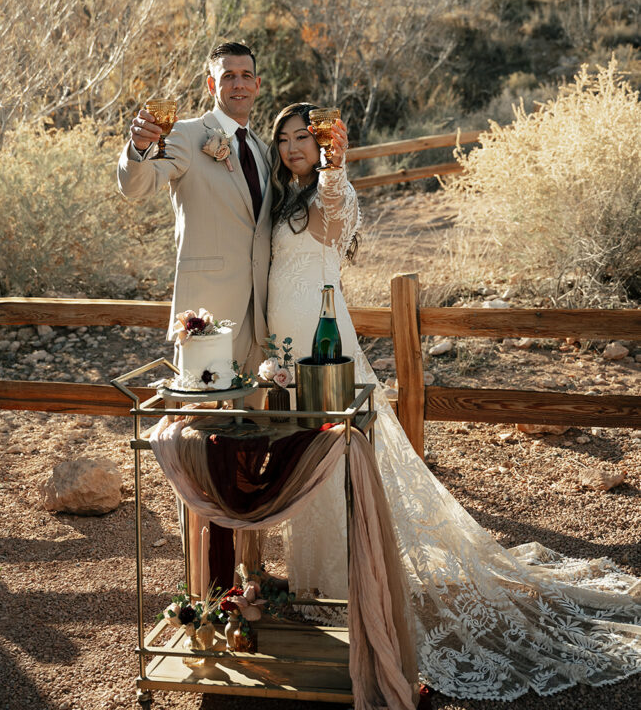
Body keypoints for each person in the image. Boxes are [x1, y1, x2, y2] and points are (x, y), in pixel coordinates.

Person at [266, 102, 641, 702]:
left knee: (342, 457)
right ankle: (313, 582)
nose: (292, 148)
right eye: (283, 138)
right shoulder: (281, 196)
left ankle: (351, 582)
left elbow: (335, 223)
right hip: (283, 352)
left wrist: (337, 164)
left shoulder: (330, 191)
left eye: (303, 138)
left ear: (322, 143)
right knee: (309, 455)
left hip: (324, 345)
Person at [117, 41, 272, 377]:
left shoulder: (263, 150)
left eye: (246, 75)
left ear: (257, 85)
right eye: (228, 75)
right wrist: (139, 147)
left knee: (250, 424)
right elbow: (138, 186)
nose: (239, 84)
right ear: (212, 84)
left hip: (260, 320)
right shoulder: (186, 135)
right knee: (200, 417)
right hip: (207, 314)